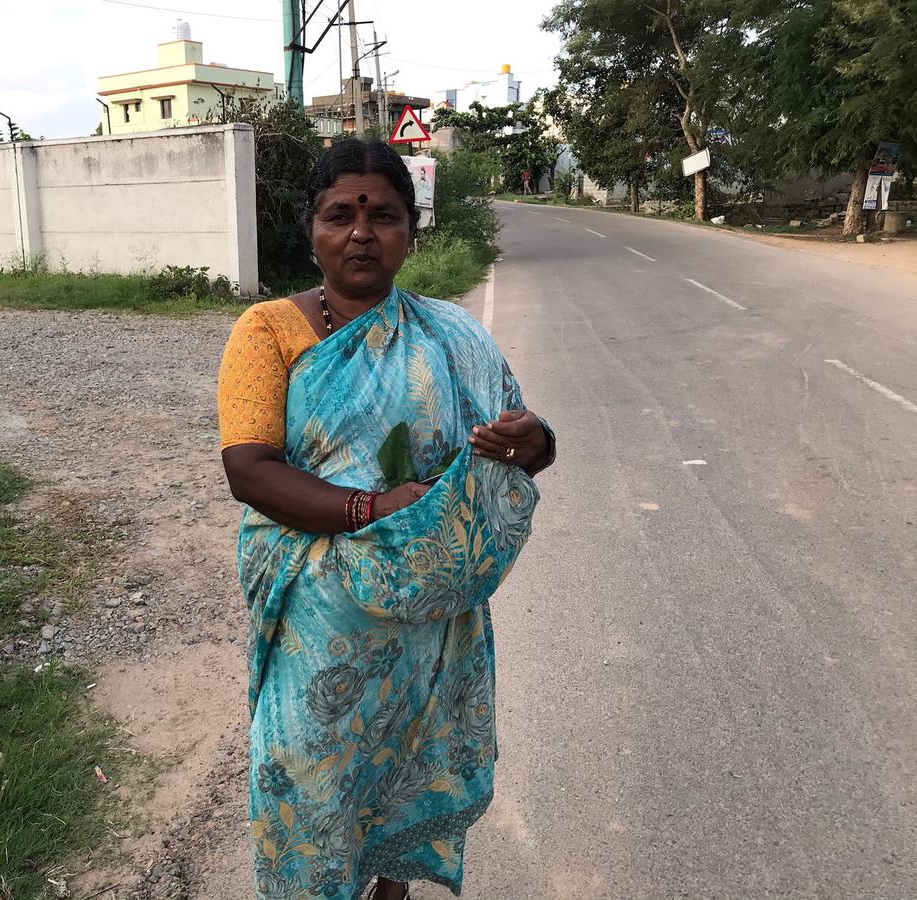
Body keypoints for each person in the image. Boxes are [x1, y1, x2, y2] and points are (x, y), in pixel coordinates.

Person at [217, 139, 556, 900]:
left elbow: (506, 452)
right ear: (313, 230)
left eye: (385, 216)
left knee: (403, 766)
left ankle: (391, 889)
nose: (362, 233)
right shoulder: (268, 331)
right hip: (318, 616)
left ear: (411, 231)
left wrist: (536, 444)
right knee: (307, 787)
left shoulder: (453, 335)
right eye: (342, 215)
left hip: (427, 619)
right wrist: (369, 509)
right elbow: (249, 468)